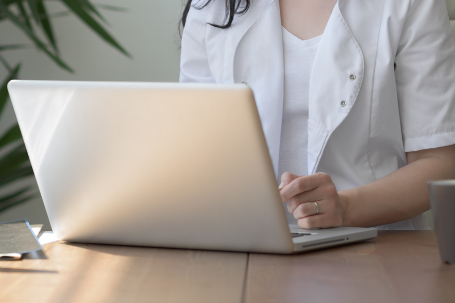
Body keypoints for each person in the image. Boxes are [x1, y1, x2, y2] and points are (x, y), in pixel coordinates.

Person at [179, 0, 455, 230]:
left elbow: (440, 162)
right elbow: (194, 150)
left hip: (375, 249)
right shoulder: (211, 7)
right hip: (246, 247)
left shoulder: (412, 4)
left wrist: (346, 207)